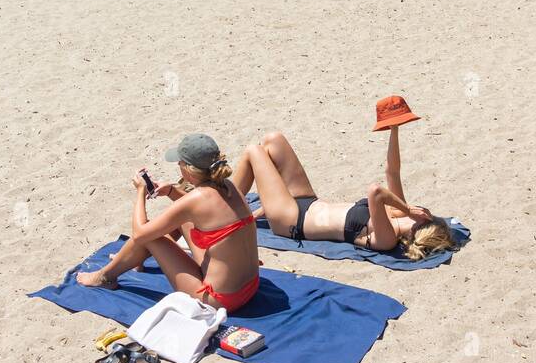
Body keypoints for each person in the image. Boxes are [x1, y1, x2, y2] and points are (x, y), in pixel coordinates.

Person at [231, 98, 457, 260]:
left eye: (426, 215)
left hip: (292, 221)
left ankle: (224, 207)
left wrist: (408, 209)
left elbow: (376, 191)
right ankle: (240, 200)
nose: (423, 210)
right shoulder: (396, 213)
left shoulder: (386, 238)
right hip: (308, 202)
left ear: (420, 226)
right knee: (273, 140)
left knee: (254, 151)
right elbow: (392, 172)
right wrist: (394, 129)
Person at [75, 134, 261, 311]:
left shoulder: (195, 200)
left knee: (151, 237)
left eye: (180, 163)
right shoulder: (229, 186)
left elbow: (140, 233)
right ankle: (131, 259)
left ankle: (105, 277)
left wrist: (140, 192)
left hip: (218, 300)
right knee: (179, 222)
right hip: (250, 288)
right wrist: (171, 191)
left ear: (188, 169)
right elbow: (194, 209)